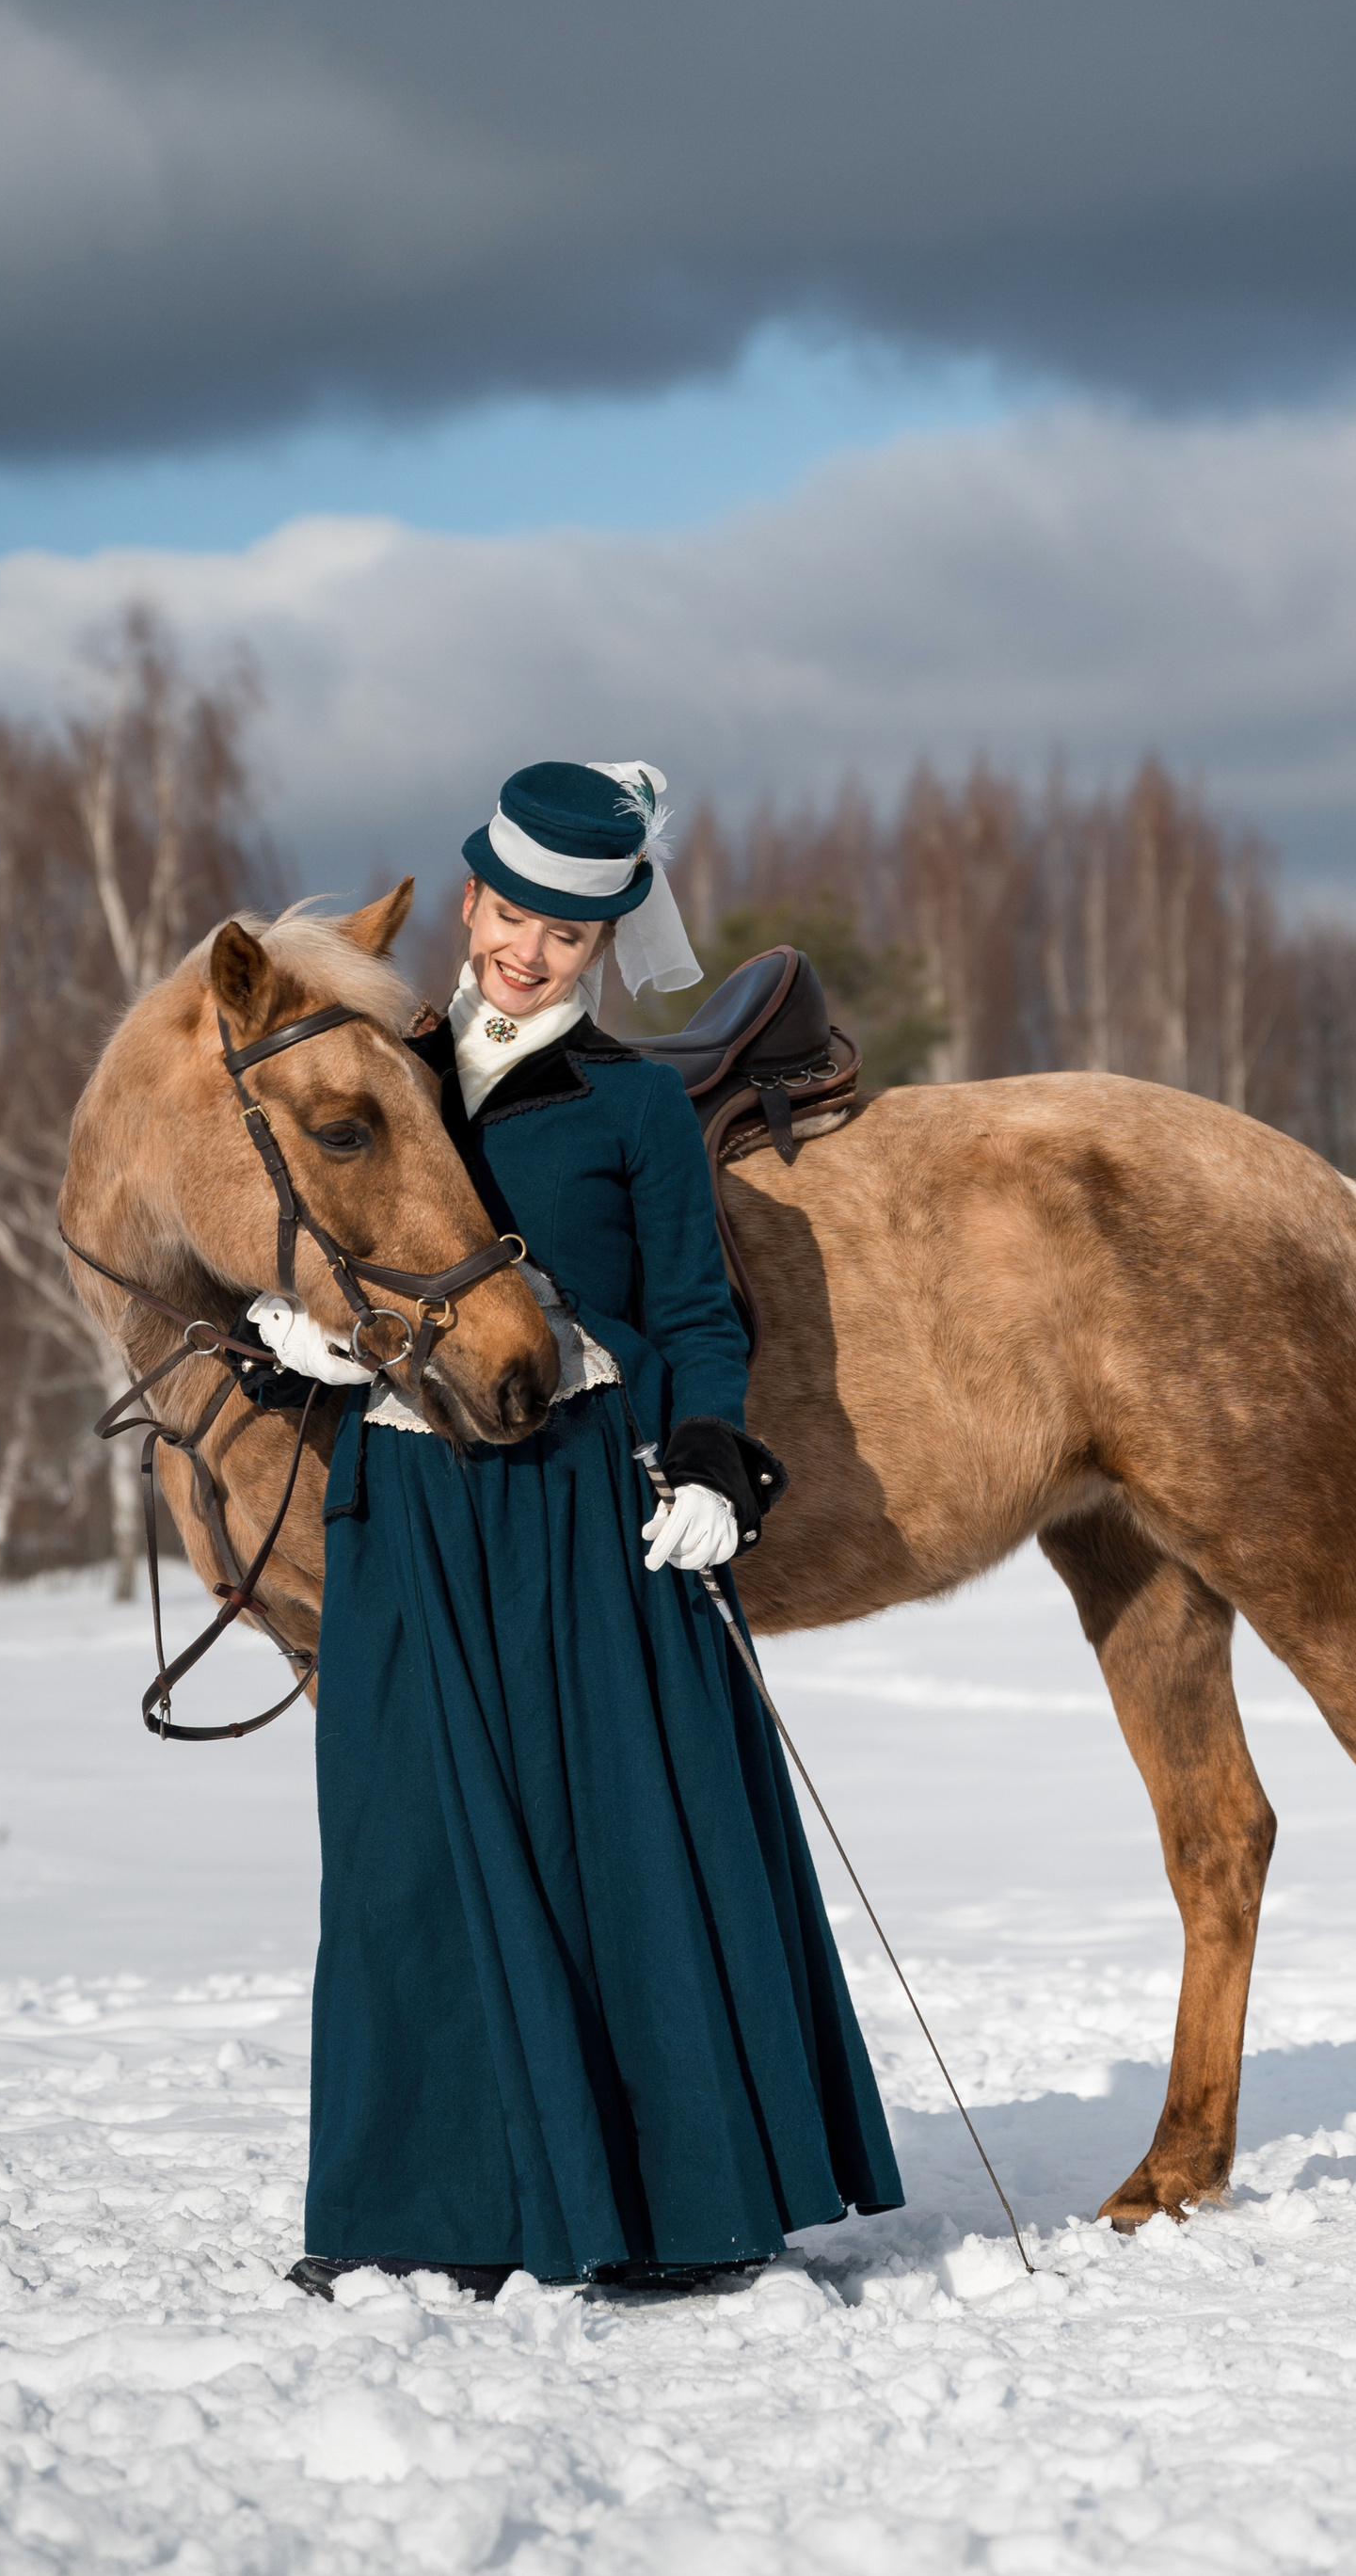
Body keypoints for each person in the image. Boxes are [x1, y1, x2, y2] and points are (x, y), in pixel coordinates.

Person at [245, 760, 902, 2299]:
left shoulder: (629, 1108)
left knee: (618, 1845)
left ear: (603, 948)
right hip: (407, 1497)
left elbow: (692, 1311)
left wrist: (712, 1469)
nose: (526, 954)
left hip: (578, 1504)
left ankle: (680, 2208)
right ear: (467, 897)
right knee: (411, 1852)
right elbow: (291, 1214)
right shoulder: (382, 1071)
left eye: (567, 936)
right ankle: (413, 2211)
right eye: (511, 916)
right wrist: (298, 1326)